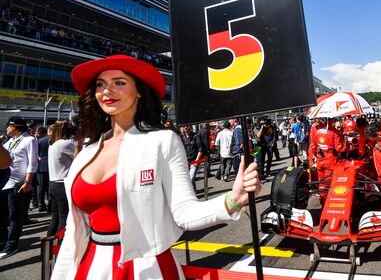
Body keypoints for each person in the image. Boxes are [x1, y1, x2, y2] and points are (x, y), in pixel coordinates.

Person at [52, 55, 260, 279]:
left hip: (148, 268)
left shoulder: (162, 141)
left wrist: (233, 200)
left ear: (139, 91)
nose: (106, 91)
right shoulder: (88, 150)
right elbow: (74, 229)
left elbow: (184, 213)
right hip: (89, 266)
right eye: (100, 84)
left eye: (119, 82)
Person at [0, 116, 39, 259]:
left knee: (14, 215)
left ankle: (11, 244)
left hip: (18, 182)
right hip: (4, 182)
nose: (6, 128)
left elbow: (32, 162)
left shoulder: (29, 140)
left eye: (8, 126)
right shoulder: (9, 141)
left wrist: (28, 181)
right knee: (3, 215)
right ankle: (3, 241)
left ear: (14, 126)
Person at [47, 120, 76, 236]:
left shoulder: (53, 144)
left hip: (54, 183)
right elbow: (80, 157)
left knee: (55, 218)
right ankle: (59, 246)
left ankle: (49, 246)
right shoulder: (65, 144)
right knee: (64, 219)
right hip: (62, 183)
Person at [34, 126, 50, 212]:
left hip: (40, 166)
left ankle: (41, 204)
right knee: (49, 187)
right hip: (50, 166)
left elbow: (35, 154)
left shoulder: (39, 141)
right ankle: (50, 205)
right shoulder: (52, 140)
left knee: (40, 187)